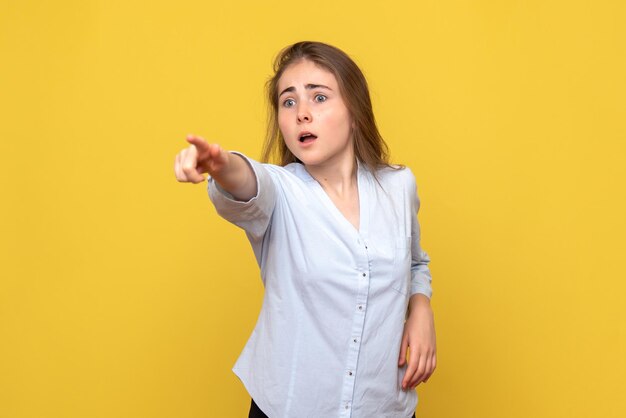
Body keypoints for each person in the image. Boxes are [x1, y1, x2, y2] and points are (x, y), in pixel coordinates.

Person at [174, 41, 436, 418]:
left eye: (319, 97)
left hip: (384, 408)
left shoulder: (399, 186)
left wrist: (421, 308)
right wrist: (218, 164)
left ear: (355, 113)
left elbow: (415, 264)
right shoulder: (281, 191)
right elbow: (247, 182)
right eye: (289, 101)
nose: (302, 114)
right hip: (291, 406)